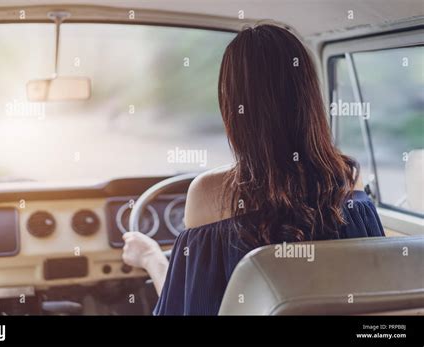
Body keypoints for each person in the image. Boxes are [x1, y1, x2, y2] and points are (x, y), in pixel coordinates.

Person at [121, 24, 385, 315]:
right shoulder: (348, 177)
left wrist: (151, 259)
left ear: (231, 105)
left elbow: (186, 310)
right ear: (309, 95)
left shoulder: (210, 193)